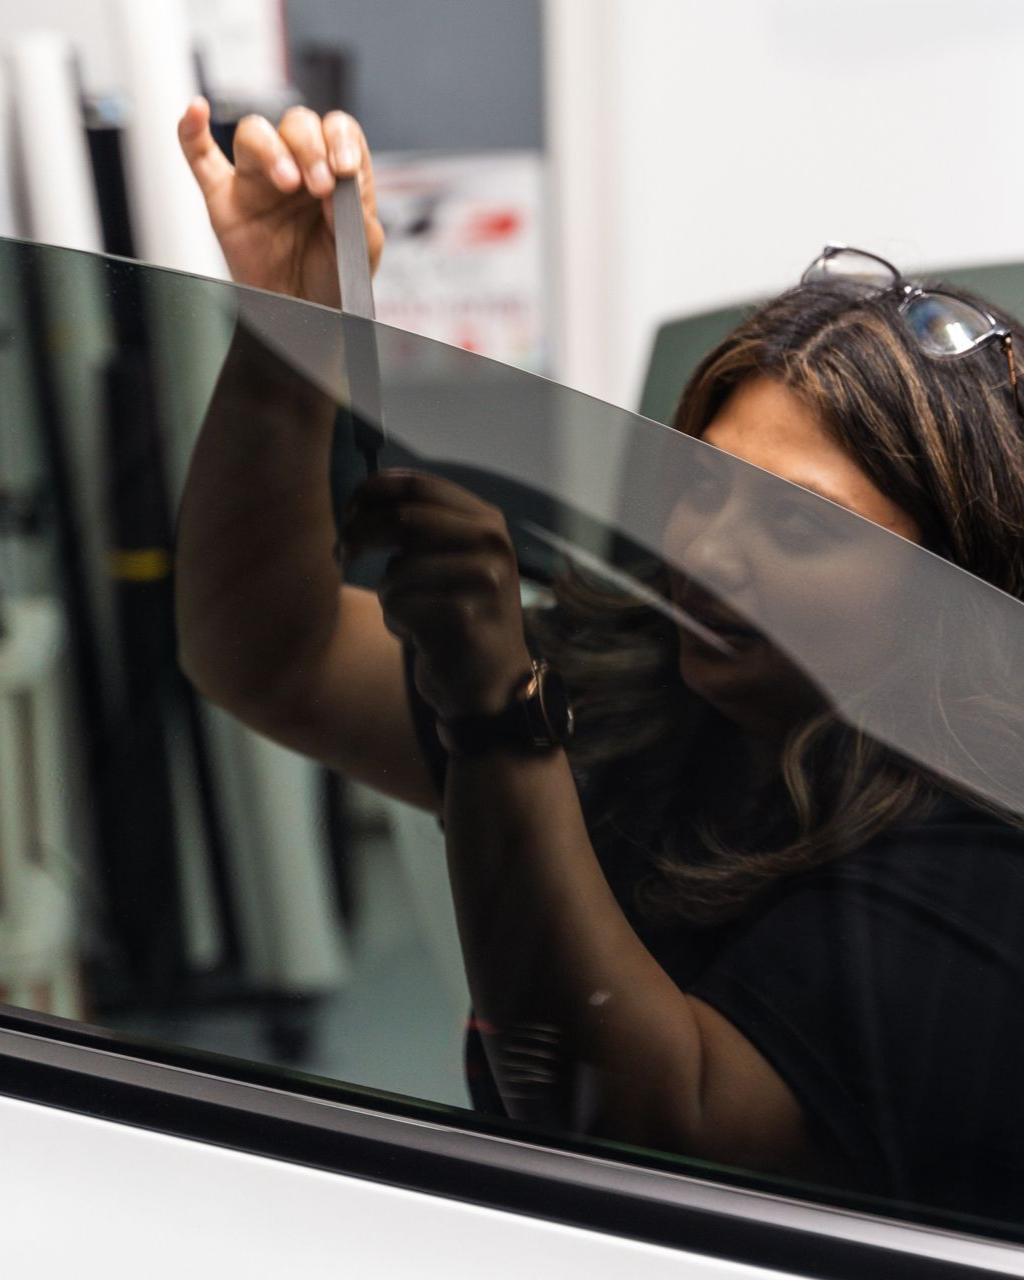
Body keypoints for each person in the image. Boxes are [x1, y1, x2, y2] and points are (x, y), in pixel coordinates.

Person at [175, 98, 1024, 1213]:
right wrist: (295, 335)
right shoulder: (656, 673)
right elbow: (272, 656)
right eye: (702, 484)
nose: (706, 553)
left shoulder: (984, 841)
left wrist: (496, 714)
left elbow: (659, 1132)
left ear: (954, 588)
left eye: (801, 525)